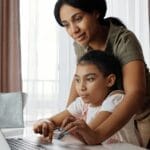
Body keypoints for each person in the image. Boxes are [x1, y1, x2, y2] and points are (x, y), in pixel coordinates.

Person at [53, 0, 150, 147]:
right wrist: (68, 120)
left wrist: (96, 135)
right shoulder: (81, 43)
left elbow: (135, 93)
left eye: (78, 19)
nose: (73, 30)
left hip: (142, 114)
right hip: (111, 112)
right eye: (66, 24)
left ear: (96, 12)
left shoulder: (123, 40)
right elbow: (79, 78)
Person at [33, 50, 140, 145]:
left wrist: (70, 128)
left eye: (90, 79)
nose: (81, 87)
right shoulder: (83, 103)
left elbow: (91, 136)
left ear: (110, 81)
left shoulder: (116, 99)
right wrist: (45, 123)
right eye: (78, 80)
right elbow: (53, 120)